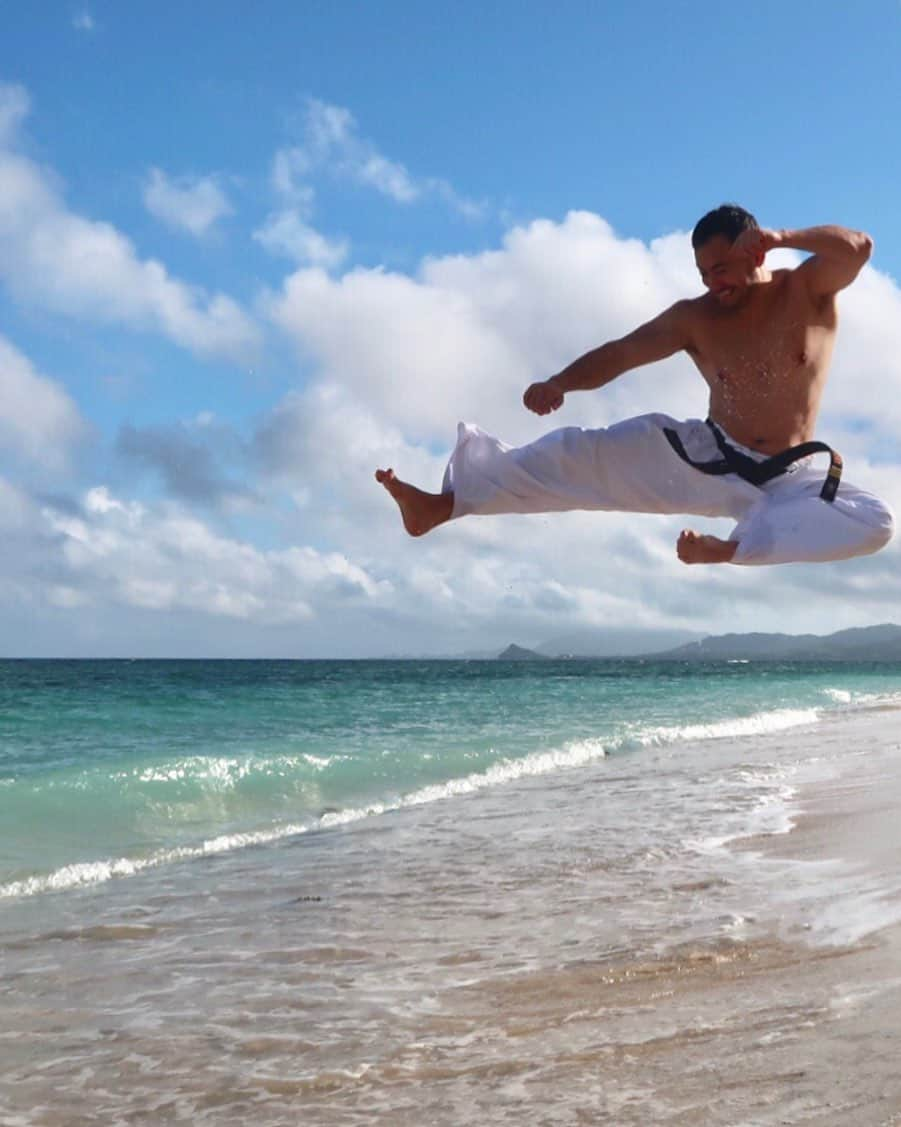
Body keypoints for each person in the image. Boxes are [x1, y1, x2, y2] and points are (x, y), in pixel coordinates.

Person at [375, 204, 894, 565]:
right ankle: (442, 505)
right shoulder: (697, 318)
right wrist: (561, 382)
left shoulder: (804, 291)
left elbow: (859, 248)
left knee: (875, 523)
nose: (713, 283)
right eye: (703, 273)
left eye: (721, 269)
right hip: (707, 456)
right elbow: (623, 352)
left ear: (755, 251)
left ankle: (732, 551)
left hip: (790, 473)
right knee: (581, 457)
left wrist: (785, 237)